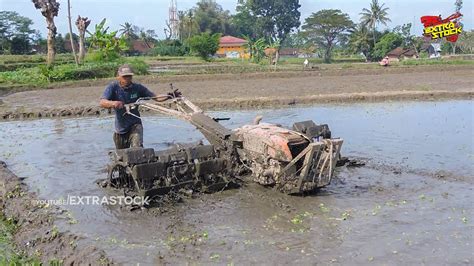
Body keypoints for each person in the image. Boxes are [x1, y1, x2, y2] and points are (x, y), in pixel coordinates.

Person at [100, 64, 171, 149]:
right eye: (124, 77)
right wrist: (113, 103)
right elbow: (102, 102)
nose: (127, 79)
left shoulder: (137, 88)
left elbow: (155, 97)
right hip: (121, 128)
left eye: (129, 76)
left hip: (135, 124)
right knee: (121, 154)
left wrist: (169, 96)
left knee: (137, 149)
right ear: (118, 77)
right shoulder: (113, 87)